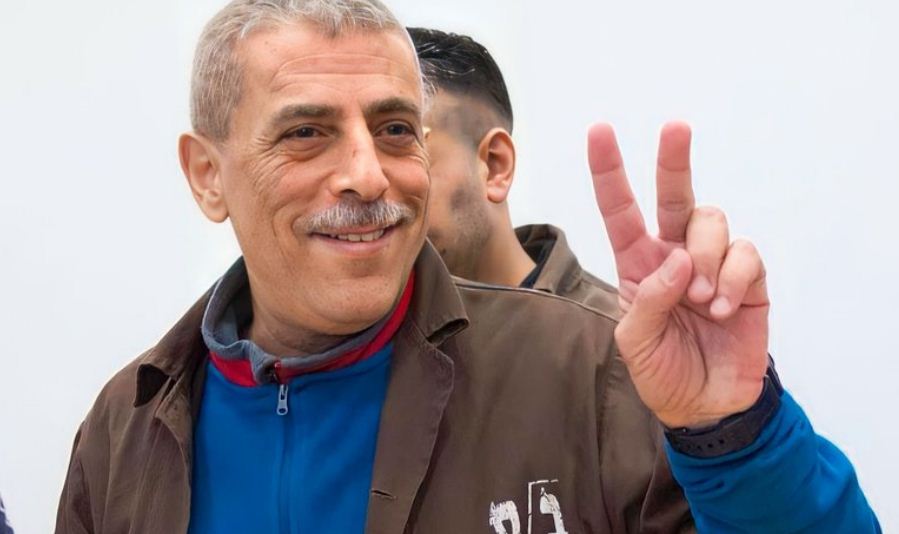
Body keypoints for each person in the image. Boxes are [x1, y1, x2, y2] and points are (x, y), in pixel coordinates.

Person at [56, 1, 879, 533]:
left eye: (394, 130)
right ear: (207, 175)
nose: (367, 175)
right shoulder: (125, 430)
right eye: (306, 133)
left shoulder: (591, 371)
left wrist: (735, 437)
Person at [409, 27, 618, 317]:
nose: (370, 184)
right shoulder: (363, 331)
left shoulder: (621, 336)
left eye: (401, 141)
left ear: (495, 165)